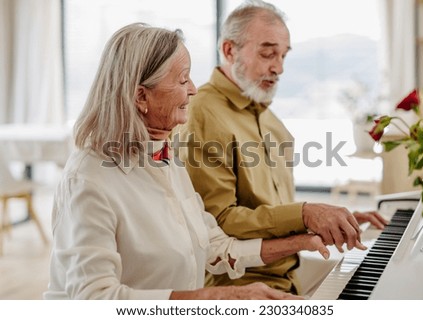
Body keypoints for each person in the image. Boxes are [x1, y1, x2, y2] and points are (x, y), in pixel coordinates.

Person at [43, 22, 340, 300]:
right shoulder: (88, 180)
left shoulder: (165, 156)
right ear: (141, 97)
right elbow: (95, 298)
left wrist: (300, 241)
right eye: (183, 79)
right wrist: (220, 298)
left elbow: (214, 247)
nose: (193, 89)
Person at [177, 0, 387, 295]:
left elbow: (271, 211)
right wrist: (305, 213)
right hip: (240, 287)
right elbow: (219, 221)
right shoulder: (201, 112)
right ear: (229, 50)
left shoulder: (270, 119)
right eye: (267, 53)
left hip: (290, 275)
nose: (278, 67)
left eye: (283, 55)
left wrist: (332, 218)